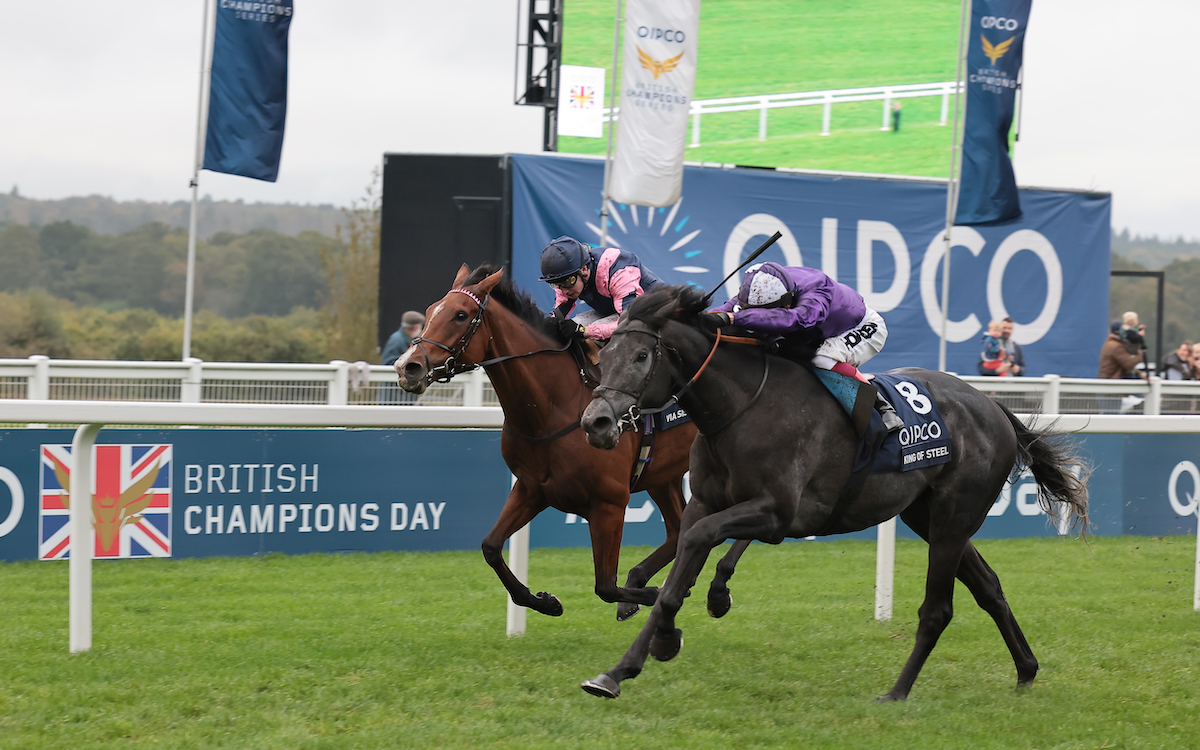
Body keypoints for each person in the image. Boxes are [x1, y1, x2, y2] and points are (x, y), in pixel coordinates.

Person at [700, 261, 903, 431]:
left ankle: (880, 406)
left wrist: (733, 318)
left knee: (822, 360)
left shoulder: (816, 291)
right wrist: (697, 319)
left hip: (861, 327)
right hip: (821, 332)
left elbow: (795, 320)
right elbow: (727, 310)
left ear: (787, 299)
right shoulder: (759, 291)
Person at [539, 235, 662, 342]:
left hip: (651, 315)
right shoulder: (571, 275)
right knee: (575, 324)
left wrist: (585, 331)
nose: (564, 291)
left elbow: (631, 322)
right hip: (618, 311)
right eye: (556, 284)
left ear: (584, 269)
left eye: (568, 282)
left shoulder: (619, 270)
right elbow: (558, 317)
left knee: (590, 332)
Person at [381, 311, 425, 405]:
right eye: (420, 326)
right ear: (415, 327)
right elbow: (389, 363)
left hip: (401, 394)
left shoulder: (406, 339)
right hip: (393, 395)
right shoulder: (397, 340)